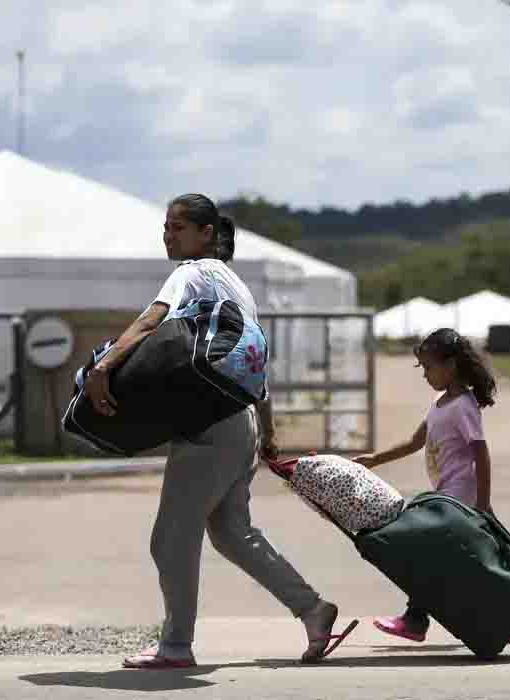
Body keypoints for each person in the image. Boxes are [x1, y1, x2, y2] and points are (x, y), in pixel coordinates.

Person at [84, 194, 352, 669]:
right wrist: (266, 432)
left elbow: (151, 321)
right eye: (166, 227)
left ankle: (175, 646)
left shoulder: (191, 273)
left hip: (209, 426)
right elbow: (254, 364)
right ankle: (312, 610)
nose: (169, 235)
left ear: (206, 234)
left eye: (179, 227)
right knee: (231, 533)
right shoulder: (238, 288)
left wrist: (104, 366)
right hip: (239, 422)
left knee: (170, 538)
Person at [354, 328, 510, 644]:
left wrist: (482, 504)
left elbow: (482, 454)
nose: (425, 375)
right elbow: (415, 441)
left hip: (460, 499)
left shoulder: (464, 405)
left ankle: (416, 619)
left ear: (451, 366)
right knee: (475, 559)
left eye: (429, 367)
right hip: (448, 497)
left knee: (432, 556)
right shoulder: (440, 403)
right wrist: (375, 459)